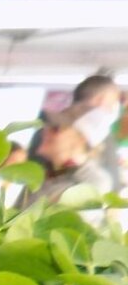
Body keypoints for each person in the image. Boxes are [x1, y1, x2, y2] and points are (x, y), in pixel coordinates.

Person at [24, 73, 121, 208]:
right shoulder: (50, 176)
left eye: (56, 129)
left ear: (81, 139)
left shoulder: (93, 185)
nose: (45, 130)